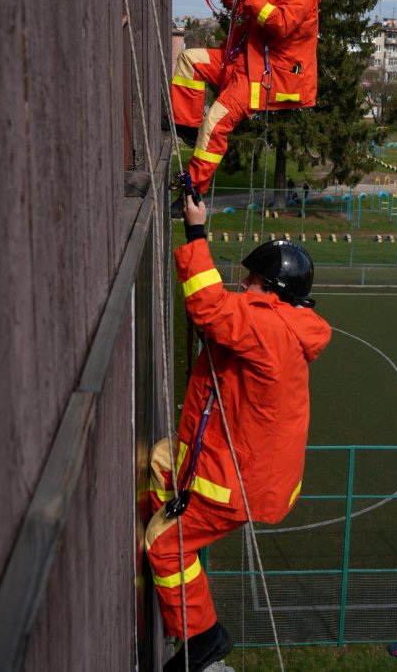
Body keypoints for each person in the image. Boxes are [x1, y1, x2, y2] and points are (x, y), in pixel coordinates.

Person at [145, 191, 332, 671]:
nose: (243, 284)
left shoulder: (268, 329)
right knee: (164, 459)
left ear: (271, 288)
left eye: (250, 279)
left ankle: (201, 637)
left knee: (166, 547)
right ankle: (169, 548)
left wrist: (196, 231)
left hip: (235, 485)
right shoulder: (286, 324)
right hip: (247, 474)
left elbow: (209, 307)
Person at [168, 0, 325, 216]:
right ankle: (189, 127)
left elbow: (281, 24)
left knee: (215, 122)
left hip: (265, 78)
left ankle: (193, 194)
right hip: (244, 64)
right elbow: (233, 3)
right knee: (190, 60)